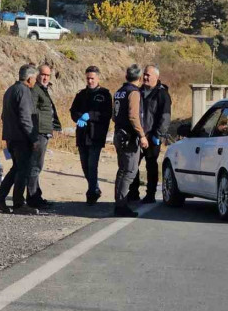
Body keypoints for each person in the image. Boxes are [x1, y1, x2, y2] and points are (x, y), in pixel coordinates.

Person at [0, 64, 41, 215]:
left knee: (16, 169)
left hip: (11, 137)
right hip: (21, 138)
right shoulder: (24, 91)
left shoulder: (10, 90)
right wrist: (33, 138)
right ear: (29, 78)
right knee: (23, 170)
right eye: (35, 78)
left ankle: (0, 198)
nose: (35, 81)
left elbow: (3, 116)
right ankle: (19, 204)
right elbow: (25, 118)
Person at [70, 66, 113, 206]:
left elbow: (107, 114)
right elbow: (73, 111)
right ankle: (95, 188)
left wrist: (91, 115)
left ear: (98, 78)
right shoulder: (81, 94)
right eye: (88, 78)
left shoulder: (104, 94)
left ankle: (91, 193)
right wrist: (79, 118)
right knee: (85, 166)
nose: (90, 81)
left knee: (92, 165)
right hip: (82, 135)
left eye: (92, 78)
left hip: (96, 135)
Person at [129, 65, 171, 204]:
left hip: (152, 137)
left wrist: (158, 135)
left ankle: (150, 194)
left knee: (151, 166)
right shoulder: (138, 91)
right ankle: (133, 192)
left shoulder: (162, 94)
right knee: (133, 164)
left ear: (156, 77)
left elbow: (165, 117)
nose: (145, 77)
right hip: (138, 135)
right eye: (144, 74)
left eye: (148, 75)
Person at [111, 64, 149, 217]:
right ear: (139, 78)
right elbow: (133, 116)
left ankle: (119, 203)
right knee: (129, 171)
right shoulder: (133, 93)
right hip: (129, 137)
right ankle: (121, 205)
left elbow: (114, 115)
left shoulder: (119, 92)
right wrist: (142, 135)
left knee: (122, 170)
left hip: (119, 134)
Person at [28, 63, 62, 208]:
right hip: (39, 133)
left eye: (48, 75)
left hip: (44, 132)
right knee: (35, 166)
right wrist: (34, 134)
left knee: (37, 166)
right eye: (43, 74)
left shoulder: (43, 89)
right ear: (37, 75)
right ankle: (32, 199)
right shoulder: (35, 90)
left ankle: (36, 196)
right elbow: (32, 112)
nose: (45, 77)